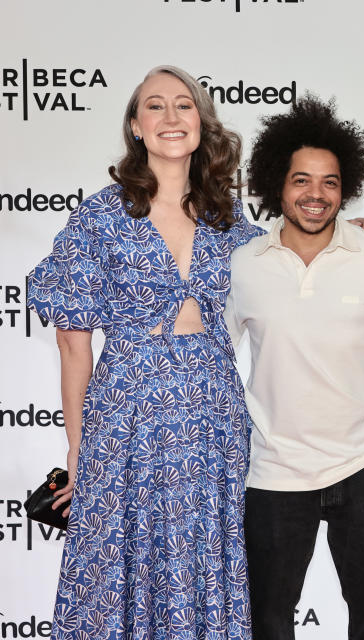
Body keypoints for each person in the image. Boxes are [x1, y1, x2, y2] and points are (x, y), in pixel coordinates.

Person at [27, 66, 263, 639]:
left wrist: (356, 232)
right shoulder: (100, 216)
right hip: (126, 414)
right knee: (117, 565)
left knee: (202, 561)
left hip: (213, 418)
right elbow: (72, 341)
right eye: (155, 107)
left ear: (202, 125)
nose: (171, 117)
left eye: (184, 105)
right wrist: (79, 448)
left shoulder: (229, 218)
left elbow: (291, 272)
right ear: (136, 126)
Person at [226, 97, 364, 640]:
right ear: (277, 184)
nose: (316, 195)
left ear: (345, 188)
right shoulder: (242, 265)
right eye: (302, 180)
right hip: (274, 468)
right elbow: (212, 361)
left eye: (330, 182)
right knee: (269, 623)